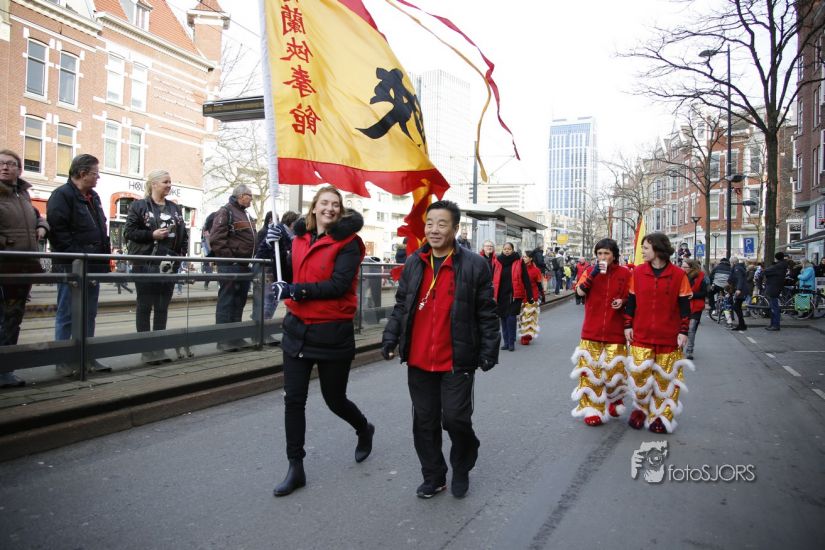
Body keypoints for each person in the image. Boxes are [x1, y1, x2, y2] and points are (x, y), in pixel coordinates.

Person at [381, 199, 499, 499]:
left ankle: (462, 464)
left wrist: (489, 349)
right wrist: (390, 337)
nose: (434, 230)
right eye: (430, 224)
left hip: (457, 360)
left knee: (456, 419)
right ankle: (434, 476)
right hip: (419, 359)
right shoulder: (414, 262)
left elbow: (486, 311)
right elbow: (401, 305)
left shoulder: (475, 265)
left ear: (455, 229)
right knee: (424, 421)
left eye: (442, 224)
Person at [266, 185, 374, 498]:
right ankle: (295, 466)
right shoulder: (299, 238)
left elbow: (339, 285)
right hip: (297, 329)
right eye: (324, 203)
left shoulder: (349, 243)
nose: (329, 208)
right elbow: (286, 274)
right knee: (293, 400)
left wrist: (296, 291)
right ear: (314, 207)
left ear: (340, 210)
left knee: (334, 399)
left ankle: (363, 428)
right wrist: (271, 246)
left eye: (335, 204)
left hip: (332, 332)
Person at [47, 154, 111, 376]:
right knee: (67, 313)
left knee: (89, 313)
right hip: (72, 267)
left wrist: (102, 260)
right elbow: (59, 234)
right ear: (82, 174)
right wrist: (79, 257)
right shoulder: (62, 195)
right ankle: (63, 360)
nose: (98, 177)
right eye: (95, 173)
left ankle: (86, 356)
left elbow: (101, 230)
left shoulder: (94, 197)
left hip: (92, 266)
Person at [624, 232, 694, 434]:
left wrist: (683, 331)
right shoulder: (637, 273)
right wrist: (628, 325)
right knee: (639, 377)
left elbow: (685, 307)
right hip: (641, 335)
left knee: (665, 379)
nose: (642, 252)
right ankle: (640, 410)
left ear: (657, 249)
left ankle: (661, 417)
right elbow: (631, 302)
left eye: (646, 248)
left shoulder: (679, 275)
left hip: (668, 336)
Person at [124, 169, 189, 365]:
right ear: (153, 184)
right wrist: (151, 235)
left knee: (162, 306)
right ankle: (146, 350)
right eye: (165, 182)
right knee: (145, 305)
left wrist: (180, 255)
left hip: (168, 265)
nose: (169, 185)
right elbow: (129, 232)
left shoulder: (174, 208)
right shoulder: (139, 206)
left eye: (170, 182)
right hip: (145, 263)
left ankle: (159, 348)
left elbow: (183, 234)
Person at [570, 238, 631, 426]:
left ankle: (615, 399)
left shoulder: (625, 273)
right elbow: (579, 292)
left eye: (606, 253)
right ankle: (593, 409)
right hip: (591, 330)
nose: (602, 257)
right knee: (591, 373)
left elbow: (632, 298)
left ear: (614, 255)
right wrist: (594, 273)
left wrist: (623, 301)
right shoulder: (590, 271)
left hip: (615, 330)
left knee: (615, 372)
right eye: (599, 253)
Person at [0, 149, 49, 388]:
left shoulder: (23, 194)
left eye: (11, 164)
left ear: (19, 169)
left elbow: (38, 216)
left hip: (23, 267)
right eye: (1, 163)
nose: (5, 167)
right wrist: (6, 243)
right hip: (4, 266)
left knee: (13, 319)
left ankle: (6, 369)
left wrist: (42, 226)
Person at [209, 185, 256, 351]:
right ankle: (223, 339)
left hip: (243, 265)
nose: (252, 198)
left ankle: (235, 337)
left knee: (239, 301)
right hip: (232, 265)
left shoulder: (244, 213)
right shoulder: (226, 211)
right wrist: (231, 259)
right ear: (241, 196)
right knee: (227, 300)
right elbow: (216, 239)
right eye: (250, 195)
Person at [492, 242, 533, 352]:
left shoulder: (519, 261)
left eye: (509, 249)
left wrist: (530, 295)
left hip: (514, 295)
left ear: (512, 250)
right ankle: (506, 342)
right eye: (505, 249)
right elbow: (492, 277)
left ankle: (511, 342)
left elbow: (525, 278)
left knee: (511, 318)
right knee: (503, 318)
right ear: (502, 250)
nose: (507, 250)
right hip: (501, 295)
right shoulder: (497, 261)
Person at [682, 259, 707, 360]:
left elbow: (704, 293)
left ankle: (689, 351)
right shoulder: (680, 276)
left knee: (692, 328)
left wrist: (694, 295)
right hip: (684, 306)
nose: (682, 269)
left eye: (685, 267)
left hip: (696, 306)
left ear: (691, 268)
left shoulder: (700, 277)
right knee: (682, 328)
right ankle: (679, 348)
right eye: (682, 266)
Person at [518, 253, 543, 345]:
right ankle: (523, 334)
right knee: (521, 316)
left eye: (525, 257)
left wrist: (542, 294)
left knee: (529, 317)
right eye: (523, 256)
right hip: (520, 295)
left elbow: (539, 284)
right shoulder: (519, 268)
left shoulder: (536, 270)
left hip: (532, 296)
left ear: (531, 258)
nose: (523, 258)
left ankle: (527, 336)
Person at [763, 252, 788, 331]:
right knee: (773, 306)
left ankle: (775, 325)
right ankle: (773, 324)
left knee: (774, 307)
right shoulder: (782, 265)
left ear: (776, 258)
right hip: (776, 286)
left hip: (773, 287)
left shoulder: (778, 266)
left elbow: (766, 271)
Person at [728, 256, 748, 331]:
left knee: (736, 307)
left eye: (730, 262)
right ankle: (742, 324)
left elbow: (740, 279)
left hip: (741, 290)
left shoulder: (737, 269)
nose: (730, 264)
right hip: (741, 289)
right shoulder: (738, 268)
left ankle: (742, 324)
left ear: (733, 262)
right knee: (737, 307)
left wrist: (738, 289)